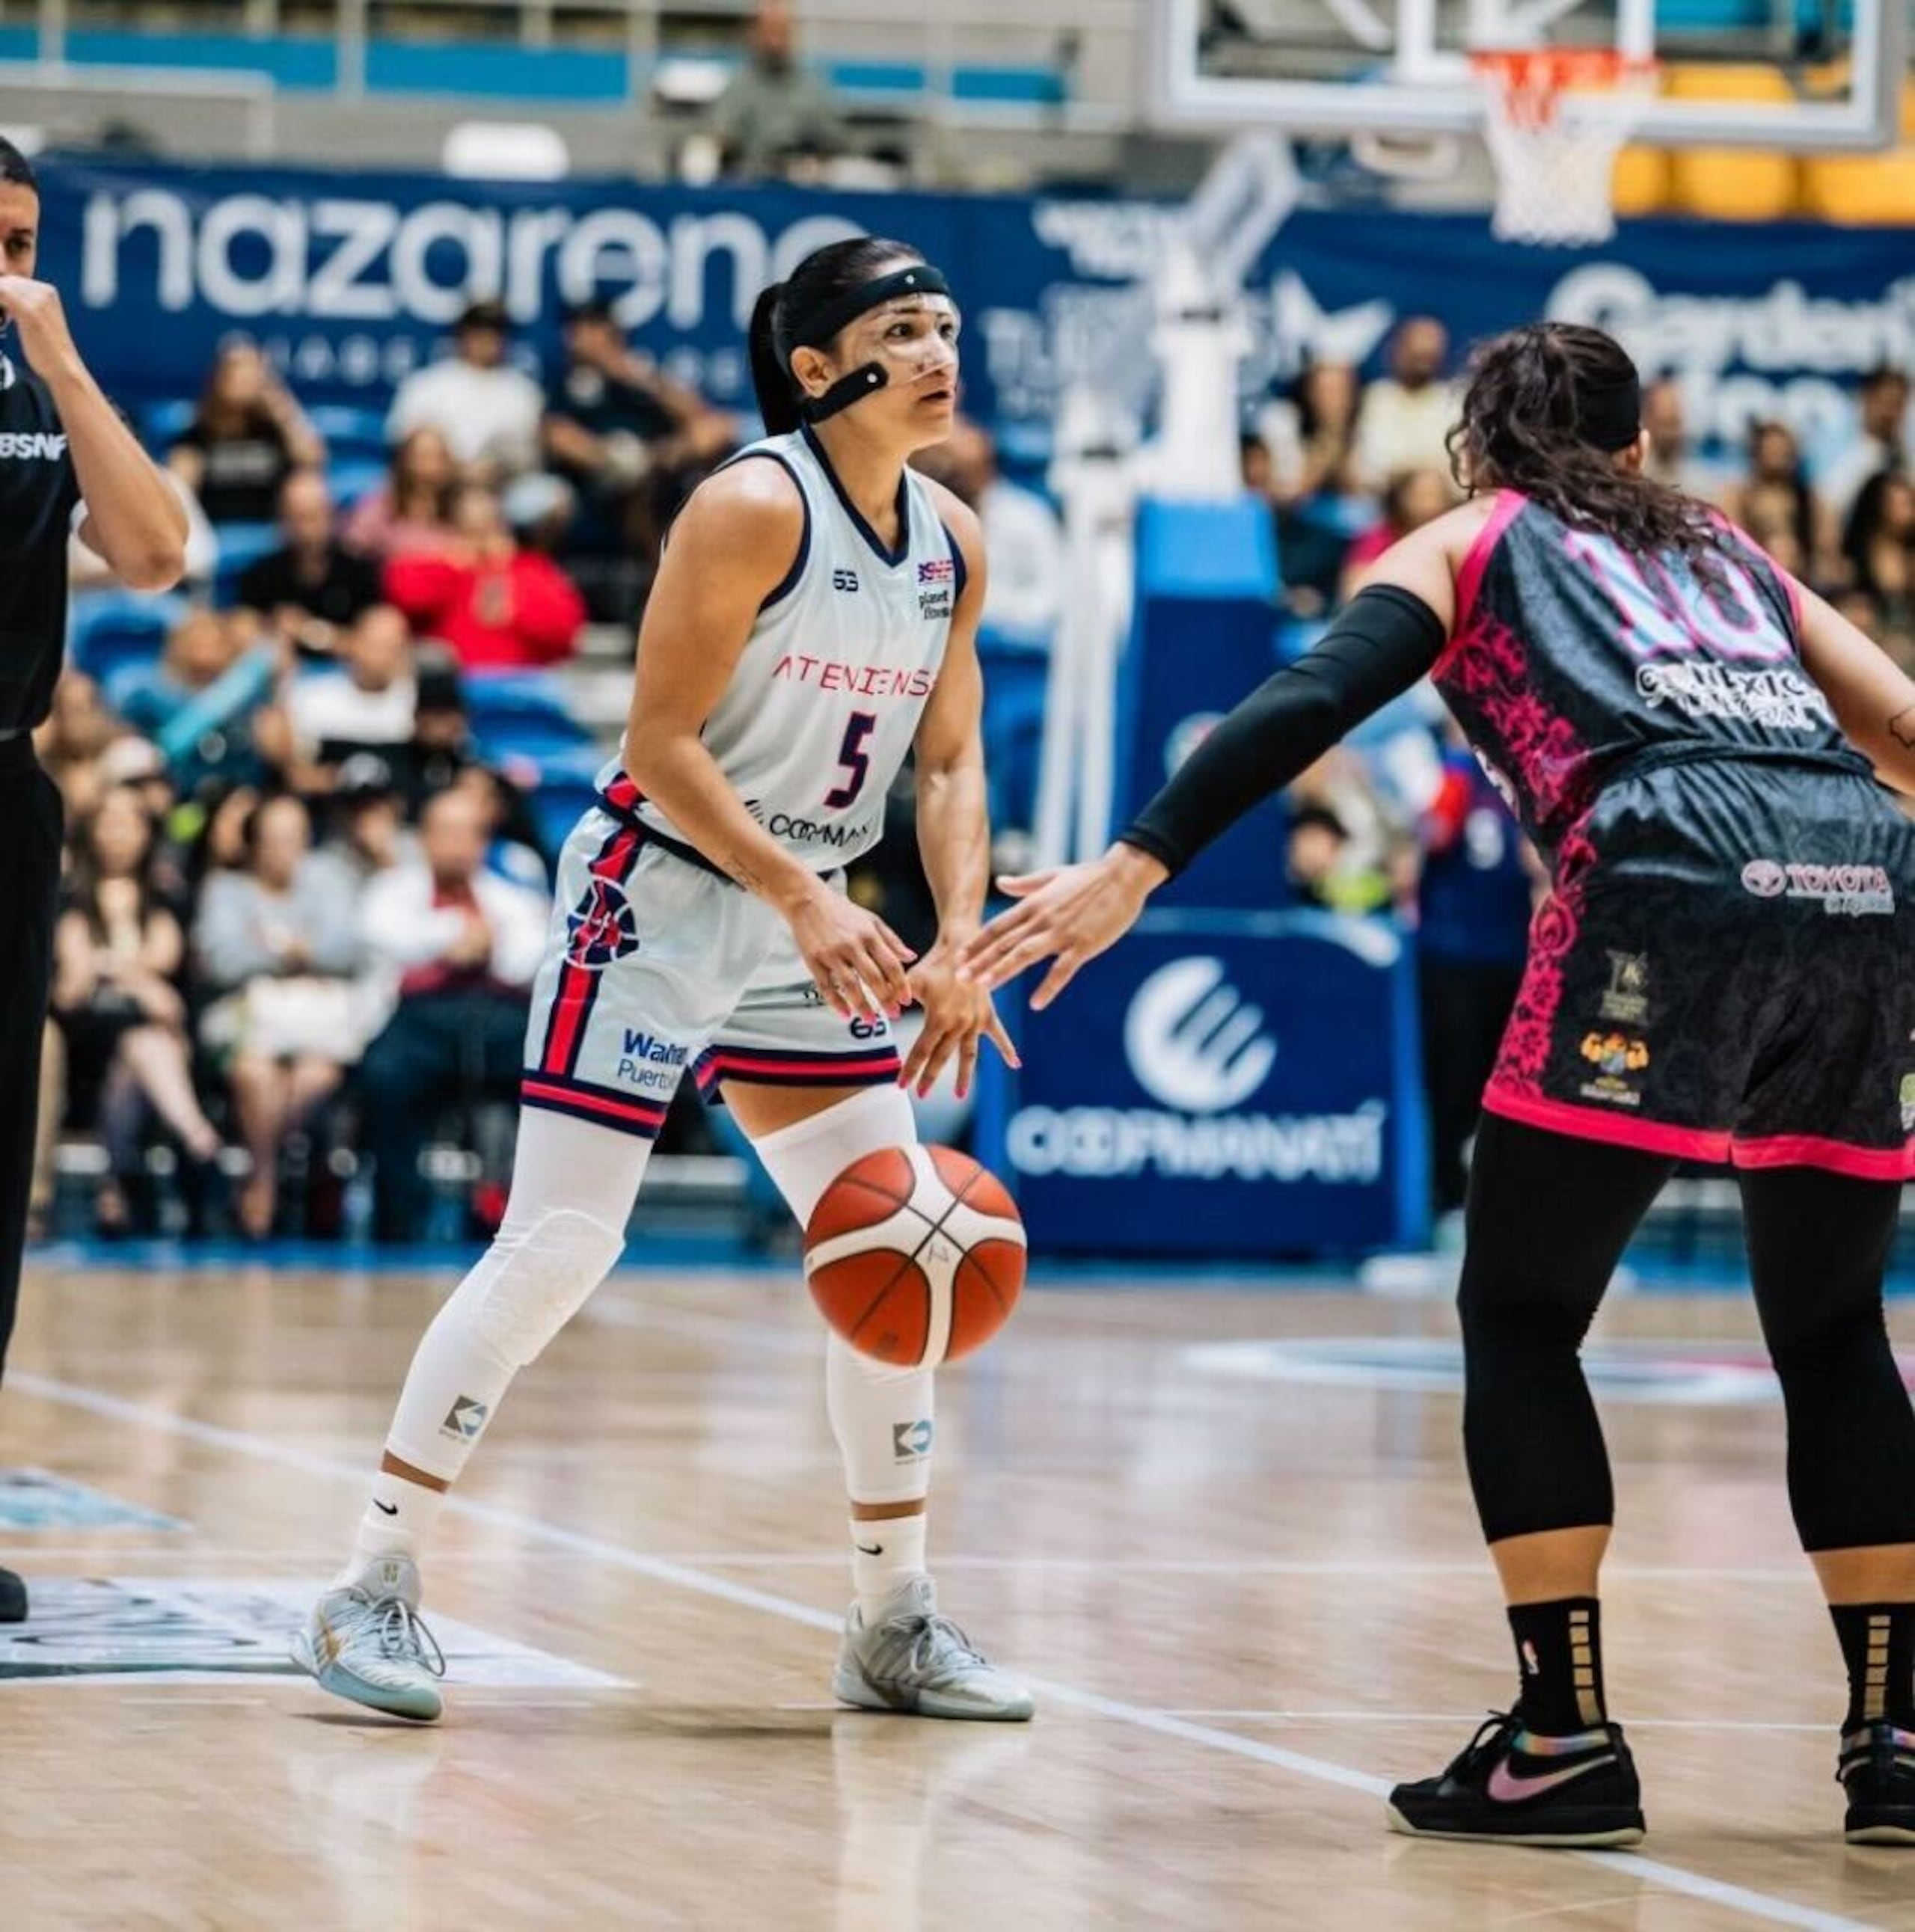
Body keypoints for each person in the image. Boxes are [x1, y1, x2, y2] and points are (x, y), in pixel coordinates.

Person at [960, 322, 1915, 1848]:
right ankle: (1897, 1735)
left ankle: (1562, 1733)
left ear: (1477, 447)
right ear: (1640, 445)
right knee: (1831, 1324)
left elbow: (1312, 694)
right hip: (1866, 872)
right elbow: (1900, 726)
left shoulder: (1474, 537)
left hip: (1666, 868)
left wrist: (1135, 861)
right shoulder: (1729, 550)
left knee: (1522, 1312)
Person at [292, 236, 1029, 1730]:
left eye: (949, 326)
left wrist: (957, 932)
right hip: (662, 896)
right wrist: (801, 895)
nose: (941, 353)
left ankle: (892, 1616)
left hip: (807, 914)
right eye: (904, 329)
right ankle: (370, 1577)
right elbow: (659, 745)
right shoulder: (752, 505)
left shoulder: (952, 537)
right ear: (818, 368)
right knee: (565, 1240)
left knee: (900, 1233)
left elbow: (951, 761)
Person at [0, 132, 188, 1618]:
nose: (7, 271)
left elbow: (157, 554)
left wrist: (62, 366)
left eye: (19, 243)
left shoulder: (39, 392)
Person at [350, 786, 548, 1244]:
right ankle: (400, 1216)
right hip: (418, 1023)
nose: (457, 845)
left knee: (550, 1074)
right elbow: (382, 936)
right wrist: (453, 936)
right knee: (385, 1075)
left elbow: (528, 959)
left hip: (498, 1023)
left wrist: (489, 945)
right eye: (447, 833)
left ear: (483, 841)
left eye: (468, 834)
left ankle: (513, 1210)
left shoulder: (511, 897)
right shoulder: (392, 889)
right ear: (425, 838)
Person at [194, 793, 365, 1238]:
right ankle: (267, 1179)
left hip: (315, 1029)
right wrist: (300, 954)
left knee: (314, 1077)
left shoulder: (329, 883)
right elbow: (223, 960)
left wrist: (274, 948)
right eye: (274, 839)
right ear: (253, 843)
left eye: (295, 839)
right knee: (255, 1075)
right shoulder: (226, 889)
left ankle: (264, 1172)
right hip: (247, 1021)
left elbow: (350, 951)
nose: (285, 850)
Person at [53, 785, 221, 1234]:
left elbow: (170, 992)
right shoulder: (70, 896)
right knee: (142, 1046)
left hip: (153, 1049)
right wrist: (135, 977)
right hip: (88, 1045)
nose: (118, 835)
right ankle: (199, 1140)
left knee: (143, 1049)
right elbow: (71, 991)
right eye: (109, 823)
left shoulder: (165, 898)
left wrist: (109, 966)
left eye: (129, 823)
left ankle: (116, 1186)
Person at [542, 297, 735, 610]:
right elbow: (559, 437)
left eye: (593, 328)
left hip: (659, 467)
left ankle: (675, 593)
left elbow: (706, 421)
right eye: (577, 330)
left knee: (707, 444)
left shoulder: (644, 377)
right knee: (636, 481)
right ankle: (662, 596)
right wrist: (611, 457)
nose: (583, 338)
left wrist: (635, 377)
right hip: (601, 478)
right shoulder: (566, 385)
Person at [383, 481, 586, 672]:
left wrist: (509, 584)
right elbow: (406, 595)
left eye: (488, 529)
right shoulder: (438, 566)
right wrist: (456, 561)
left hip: (521, 681)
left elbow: (565, 632)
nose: (479, 542)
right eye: (467, 532)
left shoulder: (530, 570)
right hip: (455, 681)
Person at [167, 341, 324, 526]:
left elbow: (312, 461)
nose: (244, 380)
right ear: (219, 379)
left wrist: (281, 408)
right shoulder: (197, 435)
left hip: (273, 532)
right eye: (237, 372)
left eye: (252, 374)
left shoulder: (274, 430)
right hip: (214, 531)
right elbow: (178, 493)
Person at [384, 301, 543, 479]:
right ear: (462, 333)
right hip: (438, 481)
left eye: (495, 332)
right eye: (478, 331)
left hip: (502, 484)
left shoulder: (524, 392)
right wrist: (453, 468)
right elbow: (399, 441)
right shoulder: (426, 384)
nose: (486, 339)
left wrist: (489, 470)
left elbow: (530, 454)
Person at [237, 468, 382, 657]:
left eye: (314, 517)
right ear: (282, 520)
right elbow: (242, 632)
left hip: (351, 672)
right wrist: (271, 641)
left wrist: (310, 632)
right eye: (297, 518)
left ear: (331, 515)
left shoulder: (359, 572)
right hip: (281, 671)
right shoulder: (261, 576)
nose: (307, 530)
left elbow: (371, 645)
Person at [280, 603, 417, 789]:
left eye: (392, 648)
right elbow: (299, 774)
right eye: (375, 646)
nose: (381, 658)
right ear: (354, 644)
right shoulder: (312, 698)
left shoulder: (417, 703)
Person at [709, 0, 850, 180]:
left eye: (782, 32)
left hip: (802, 185)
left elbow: (836, 140)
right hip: (748, 183)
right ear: (754, 35)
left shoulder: (813, 86)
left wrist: (812, 154)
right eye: (769, 32)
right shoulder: (738, 86)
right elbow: (719, 136)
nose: (775, 42)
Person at [1352, 316, 1455, 490]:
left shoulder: (1455, 403)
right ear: (1396, 349)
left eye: (1428, 354)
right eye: (1415, 353)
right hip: (1376, 500)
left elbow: (1455, 472)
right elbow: (1365, 468)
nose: (1423, 353)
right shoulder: (1371, 399)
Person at [341, 425, 458, 562]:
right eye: (421, 457)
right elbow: (352, 547)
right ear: (404, 461)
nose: (429, 467)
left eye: (438, 458)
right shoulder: (380, 507)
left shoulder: (457, 513)